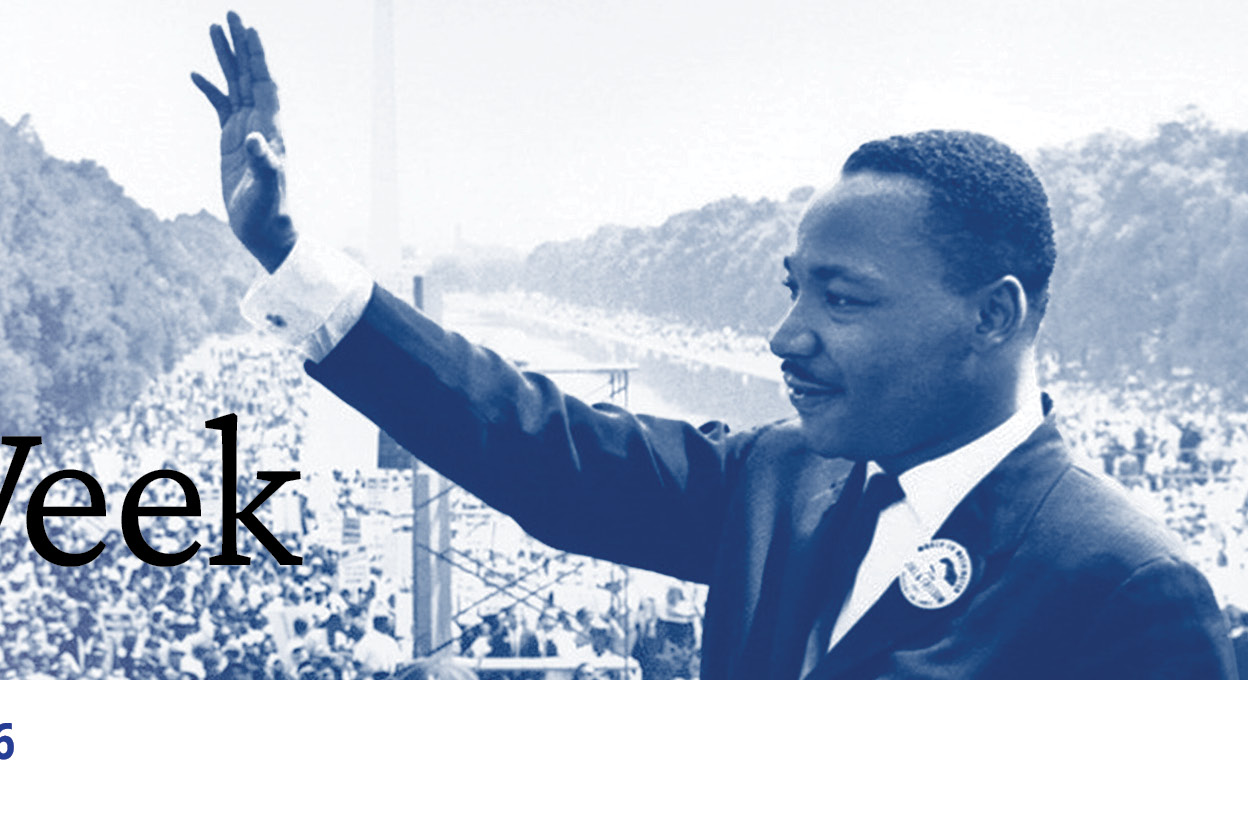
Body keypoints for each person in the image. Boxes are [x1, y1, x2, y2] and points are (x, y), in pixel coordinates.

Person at [189, 12, 1236, 678]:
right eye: (792, 288)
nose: (787, 335)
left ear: (993, 316)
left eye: (843, 298)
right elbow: (533, 443)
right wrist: (288, 255)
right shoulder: (779, 477)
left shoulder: (1127, 589)